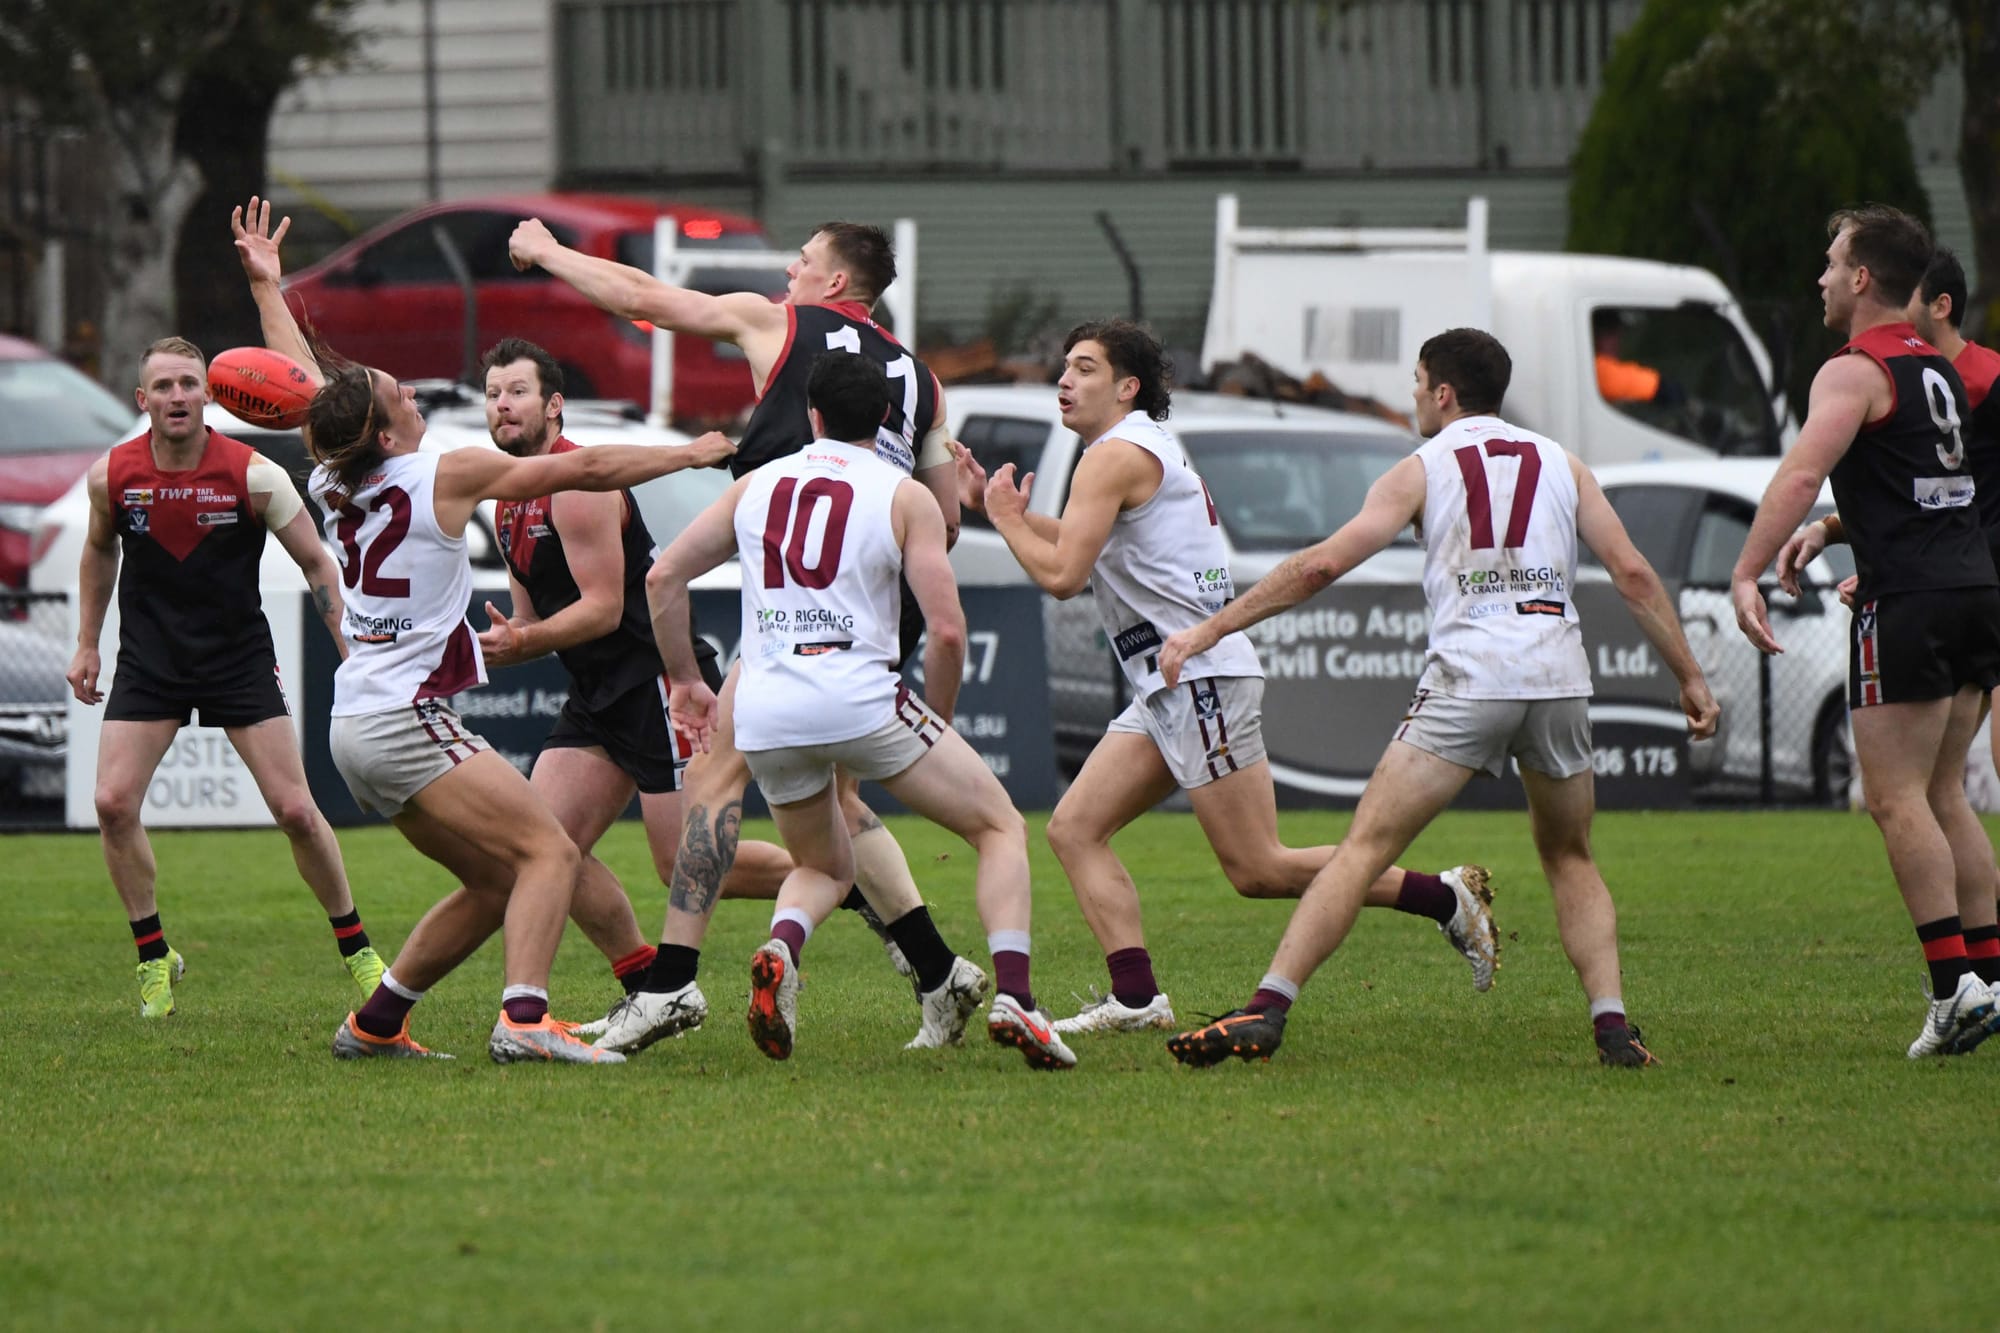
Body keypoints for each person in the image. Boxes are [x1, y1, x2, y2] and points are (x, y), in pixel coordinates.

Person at [231, 196, 734, 1063]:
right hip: (405, 716)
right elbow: (587, 465)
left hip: (355, 725)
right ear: (385, 427)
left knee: (497, 877)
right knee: (549, 850)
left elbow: (305, 382)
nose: (410, 389)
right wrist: (686, 454)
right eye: (397, 391)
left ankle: (376, 1022)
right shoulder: (442, 473)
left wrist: (266, 289)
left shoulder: (333, 474)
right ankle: (524, 1020)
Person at [1159, 327, 1718, 1069]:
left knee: (1363, 851)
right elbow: (1635, 575)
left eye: (1418, 384)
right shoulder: (1564, 463)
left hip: (1471, 678)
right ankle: (1614, 1028)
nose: (1415, 396)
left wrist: (1212, 628)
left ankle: (1267, 1008)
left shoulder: (1422, 466)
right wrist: (1689, 676)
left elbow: (1322, 566)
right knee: (1570, 855)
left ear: (1445, 393)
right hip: (1557, 677)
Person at [959, 319, 1500, 1039]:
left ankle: (1443, 897)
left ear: (1126, 388)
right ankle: (1136, 997)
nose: (1064, 379)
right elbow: (1078, 541)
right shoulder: (1130, 448)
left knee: (1258, 868)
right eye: (1065, 366)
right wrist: (1009, 514)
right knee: (1075, 829)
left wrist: (1004, 519)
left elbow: (1062, 577)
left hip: (1199, 677)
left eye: (1085, 368)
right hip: (1171, 681)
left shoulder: (1114, 455)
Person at [510, 216, 970, 1052]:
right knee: (838, 806)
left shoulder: (780, 322)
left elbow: (645, 298)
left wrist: (547, 253)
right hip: (880, 600)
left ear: (836, 283)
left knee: (719, 783)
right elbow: (946, 518)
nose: (790, 270)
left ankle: (670, 985)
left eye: (805, 259)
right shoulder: (922, 379)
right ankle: (938, 971)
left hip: (801, 598)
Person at [650, 352, 1074, 1068]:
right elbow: (947, 630)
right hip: (858, 697)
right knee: (1000, 825)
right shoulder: (903, 494)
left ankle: (782, 946)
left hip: (766, 711)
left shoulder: (756, 484)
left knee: (825, 866)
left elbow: (663, 576)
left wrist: (686, 678)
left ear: (811, 415)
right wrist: (937, 721)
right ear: (883, 418)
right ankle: (1018, 998)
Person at [471, 337, 791, 1041]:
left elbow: (603, 610)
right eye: (493, 394)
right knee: (543, 846)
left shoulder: (578, 484)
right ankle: (648, 987)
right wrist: (496, 644)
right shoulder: (506, 504)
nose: (503, 406)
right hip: (597, 695)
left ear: (554, 406)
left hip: (657, 683)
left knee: (682, 864)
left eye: (518, 392)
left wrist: (524, 642)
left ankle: (838, 880)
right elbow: (529, 622)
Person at [66, 333, 384, 1019]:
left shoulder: (255, 474)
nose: (177, 395)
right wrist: (88, 643)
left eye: (188, 383)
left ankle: (358, 949)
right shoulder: (111, 476)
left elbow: (318, 563)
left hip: (237, 660)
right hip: (150, 663)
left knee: (296, 811)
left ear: (210, 394)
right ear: (142, 399)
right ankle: (153, 957)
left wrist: (351, 652)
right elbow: (97, 551)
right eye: (164, 385)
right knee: (112, 803)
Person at [1745, 208, 2000, 1058]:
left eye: (1831, 262)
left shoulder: (1854, 370)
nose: (1820, 278)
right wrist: (1834, 530)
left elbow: (1801, 472)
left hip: (1911, 601)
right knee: (1945, 792)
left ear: (1861, 279)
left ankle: (1953, 989)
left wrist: (1746, 570)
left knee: (1893, 797)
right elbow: (1922, 488)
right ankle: (1989, 976)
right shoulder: (1937, 366)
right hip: (1973, 588)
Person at [1591, 309, 1682, 406]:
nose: (1617, 341)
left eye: (1617, 333)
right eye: (1609, 332)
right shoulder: (1597, 369)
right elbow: (1666, 390)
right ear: (1593, 335)